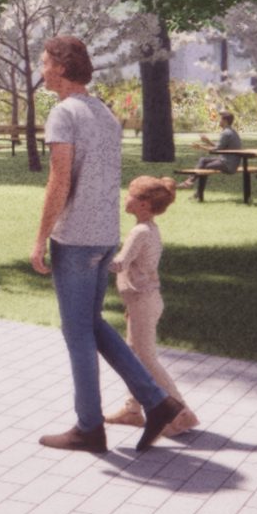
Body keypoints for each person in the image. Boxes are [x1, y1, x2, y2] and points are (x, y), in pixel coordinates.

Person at [32, 34, 183, 454]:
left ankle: (89, 428)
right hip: (105, 234)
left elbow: (60, 181)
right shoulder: (104, 113)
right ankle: (158, 402)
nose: (41, 69)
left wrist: (41, 237)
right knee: (93, 324)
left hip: (76, 238)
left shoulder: (64, 113)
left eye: (44, 62)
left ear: (61, 67)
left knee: (76, 332)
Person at [103, 176, 203, 436]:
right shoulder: (148, 228)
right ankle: (132, 410)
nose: (126, 198)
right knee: (132, 358)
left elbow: (119, 264)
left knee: (147, 359)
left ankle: (181, 414)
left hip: (143, 302)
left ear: (144, 204)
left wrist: (93, 258)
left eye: (131, 195)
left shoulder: (140, 232)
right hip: (140, 302)